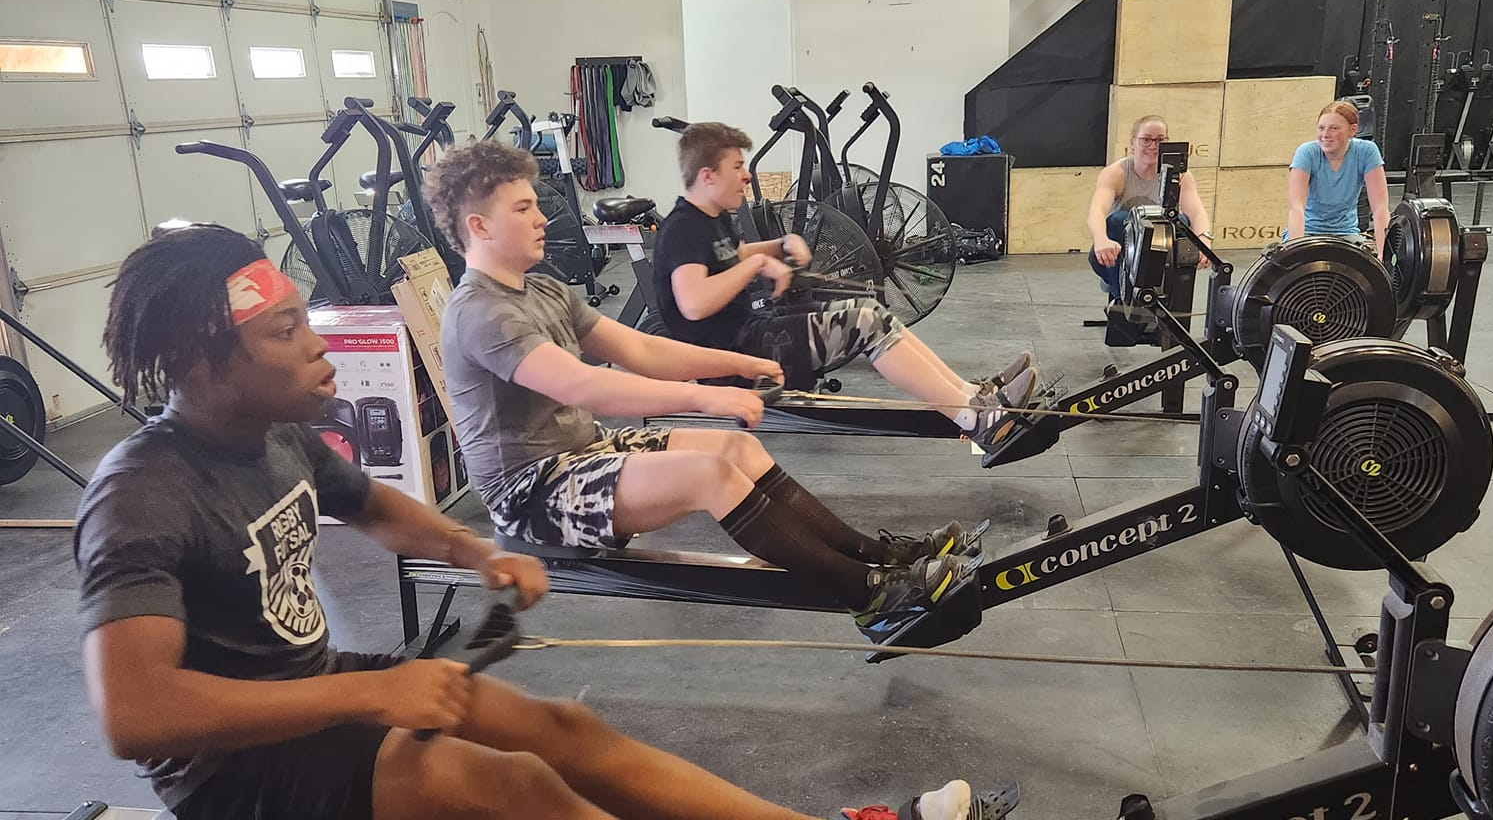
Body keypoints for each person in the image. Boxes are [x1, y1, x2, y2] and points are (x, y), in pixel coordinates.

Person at [75, 221, 984, 820]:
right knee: (508, 787)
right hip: (233, 773)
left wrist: (479, 556)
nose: (319, 348)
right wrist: (371, 689)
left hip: (311, 698)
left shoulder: (275, 433)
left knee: (560, 729)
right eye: (284, 334)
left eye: (303, 321)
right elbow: (138, 714)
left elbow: (374, 507)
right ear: (202, 364)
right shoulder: (142, 493)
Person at [429, 141, 976, 642]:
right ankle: (870, 594)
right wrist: (704, 397)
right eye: (523, 209)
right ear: (479, 226)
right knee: (707, 475)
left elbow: (642, 350)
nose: (543, 218)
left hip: (581, 455)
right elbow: (585, 384)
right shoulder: (481, 312)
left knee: (737, 449)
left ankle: (880, 556)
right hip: (530, 493)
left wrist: (740, 362)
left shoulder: (543, 288)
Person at [650, 122, 1038, 430]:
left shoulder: (712, 219)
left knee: (872, 311)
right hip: (733, 358)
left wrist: (781, 244)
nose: (747, 176)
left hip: (751, 332)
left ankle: (973, 395)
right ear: (708, 176)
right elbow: (694, 303)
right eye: (737, 167)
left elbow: (732, 257)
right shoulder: (684, 228)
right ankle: (975, 420)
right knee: (866, 323)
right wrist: (756, 265)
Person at [1087, 113, 1213, 297]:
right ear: (1132, 143)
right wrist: (1101, 240)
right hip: (1126, 247)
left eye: (1159, 140)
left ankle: (1171, 304)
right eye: (1146, 140)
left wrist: (1204, 240)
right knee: (1116, 220)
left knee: (1182, 222)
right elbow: (1096, 211)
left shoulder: (1181, 176)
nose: (1153, 146)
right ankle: (1122, 299)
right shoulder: (1116, 173)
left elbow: (1197, 213)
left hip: (1161, 246)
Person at [1287, 99, 1388, 256]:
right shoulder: (1306, 153)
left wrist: (1383, 255)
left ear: (1352, 130)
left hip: (1346, 234)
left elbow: (1380, 209)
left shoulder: (1367, 152)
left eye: (1334, 128)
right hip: (1308, 231)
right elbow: (1296, 207)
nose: (1325, 135)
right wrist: (1296, 252)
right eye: (1321, 128)